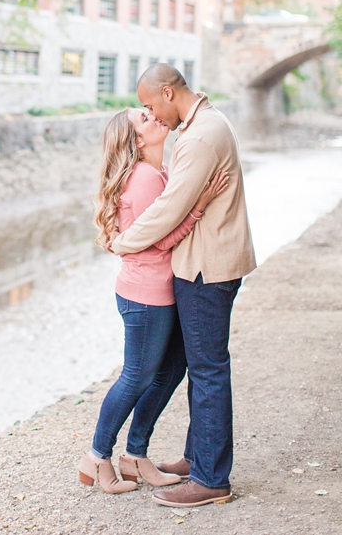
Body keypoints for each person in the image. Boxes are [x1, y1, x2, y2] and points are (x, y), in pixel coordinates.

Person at [112, 64, 256, 508]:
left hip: (205, 268)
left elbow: (171, 207)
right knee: (199, 365)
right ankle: (199, 459)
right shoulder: (208, 123)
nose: (152, 114)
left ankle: (212, 479)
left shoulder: (197, 137)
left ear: (169, 93)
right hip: (210, 262)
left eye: (151, 105)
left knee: (209, 370)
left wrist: (123, 241)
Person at [78, 107, 228, 494]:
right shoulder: (144, 178)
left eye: (148, 113)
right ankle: (96, 458)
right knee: (137, 376)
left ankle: (135, 455)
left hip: (158, 291)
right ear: (137, 141)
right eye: (143, 119)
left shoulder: (157, 173)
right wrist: (198, 206)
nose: (153, 117)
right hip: (145, 296)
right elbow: (157, 237)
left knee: (170, 371)